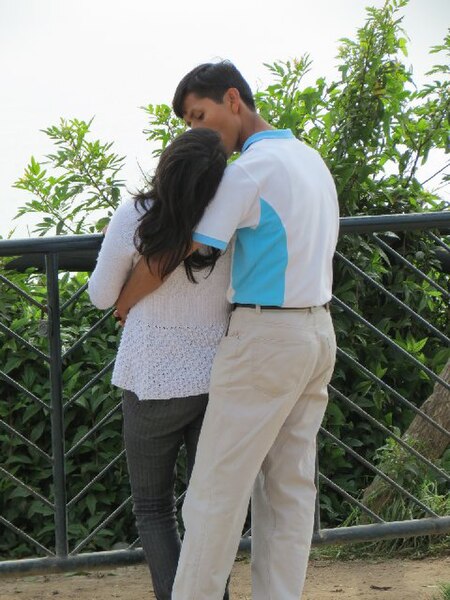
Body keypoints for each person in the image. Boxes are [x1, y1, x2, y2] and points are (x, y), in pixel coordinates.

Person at [115, 60, 339, 600]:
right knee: (288, 492)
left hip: (264, 342)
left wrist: (122, 302)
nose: (197, 130)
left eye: (201, 115)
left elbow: (181, 249)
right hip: (317, 334)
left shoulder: (248, 171)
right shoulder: (309, 160)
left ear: (233, 100)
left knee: (212, 496)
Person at [87, 128, 231, 600]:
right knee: (210, 509)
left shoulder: (137, 215)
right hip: (217, 378)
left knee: (154, 509)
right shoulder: (228, 217)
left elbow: (101, 295)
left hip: (152, 379)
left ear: (167, 163)